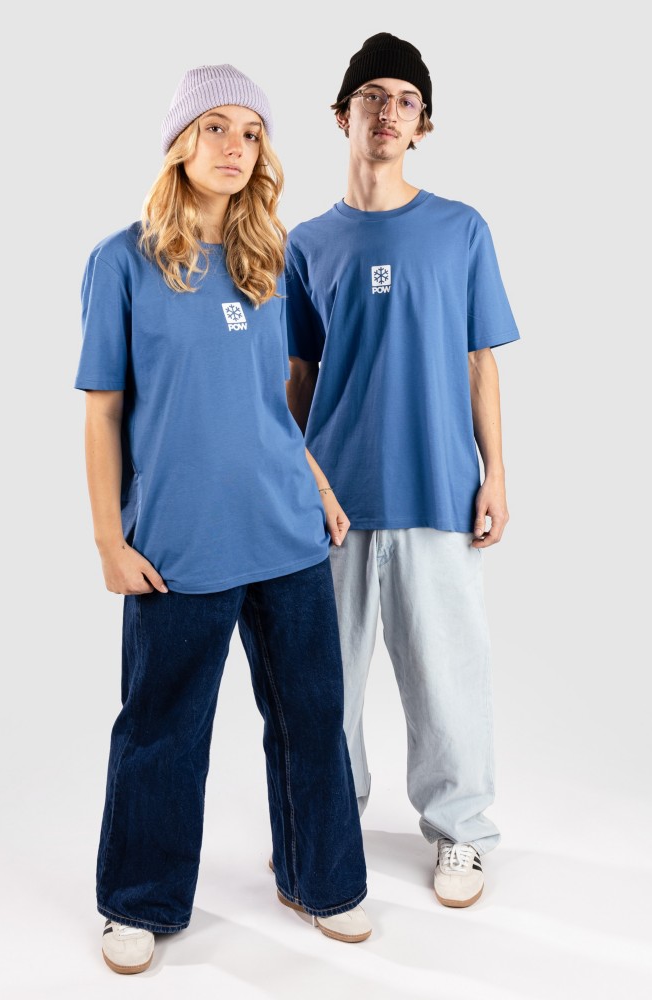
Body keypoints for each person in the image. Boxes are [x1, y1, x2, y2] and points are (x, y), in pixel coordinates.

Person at [75, 63, 371, 975]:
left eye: (251, 132)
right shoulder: (121, 262)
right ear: (179, 142)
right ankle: (139, 902)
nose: (235, 147)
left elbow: (269, 409)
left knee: (312, 717)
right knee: (162, 728)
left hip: (285, 532)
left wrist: (320, 487)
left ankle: (322, 879)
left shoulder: (266, 262)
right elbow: (103, 412)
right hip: (179, 545)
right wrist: (109, 539)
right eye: (216, 127)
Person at [285, 33, 520, 909]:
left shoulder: (461, 230)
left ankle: (461, 833)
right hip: (334, 503)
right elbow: (299, 376)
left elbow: (480, 361)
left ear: (423, 125)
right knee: (325, 685)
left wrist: (496, 474)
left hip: (437, 490)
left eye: (406, 101)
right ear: (342, 116)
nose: (388, 113)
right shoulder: (307, 244)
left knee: (449, 678)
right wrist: (297, 482)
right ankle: (326, 823)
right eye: (372, 97)